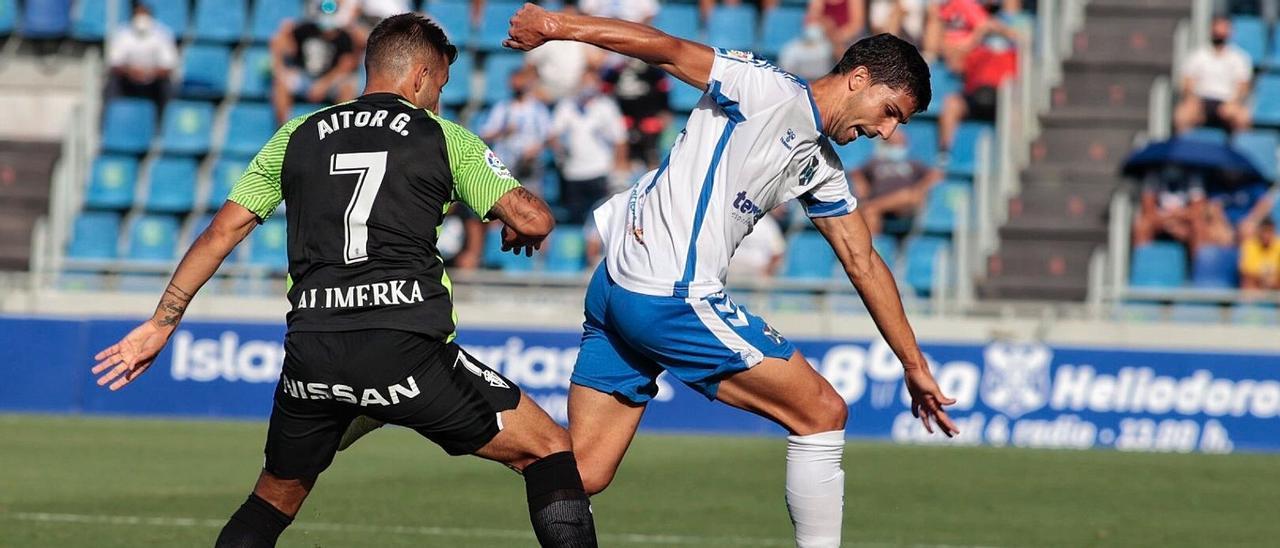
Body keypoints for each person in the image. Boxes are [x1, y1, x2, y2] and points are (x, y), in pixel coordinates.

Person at [90, 14, 597, 548]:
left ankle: (356, 412)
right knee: (550, 452)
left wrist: (161, 321)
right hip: (406, 348)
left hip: (313, 352)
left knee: (272, 500)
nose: (439, 101)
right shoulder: (444, 138)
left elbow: (220, 233)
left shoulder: (297, 134)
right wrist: (513, 220)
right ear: (420, 77)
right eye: (440, 88)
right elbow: (536, 220)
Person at [507, 8, 958, 547]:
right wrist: (557, 27)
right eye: (889, 113)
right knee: (822, 411)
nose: (885, 132)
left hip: (616, 287)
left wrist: (913, 364)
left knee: (581, 471)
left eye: (897, 125)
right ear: (858, 78)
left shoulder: (820, 163)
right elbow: (666, 47)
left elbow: (863, 261)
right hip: (667, 294)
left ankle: (455, 410)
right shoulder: (764, 89)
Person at [549, 70, 629, 224]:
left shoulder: (607, 106)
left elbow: (620, 139)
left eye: (590, 82)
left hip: (599, 170)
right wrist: (559, 148)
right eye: (584, 82)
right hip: (572, 172)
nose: (587, 87)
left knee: (599, 220)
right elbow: (553, 134)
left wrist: (618, 168)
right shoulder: (567, 105)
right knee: (575, 220)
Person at [270, 0, 361, 125]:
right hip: (305, 78)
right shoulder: (305, 29)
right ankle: (282, 128)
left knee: (348, 89)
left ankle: (344, 128)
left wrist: (324, 84)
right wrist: (280, 67)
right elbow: (279, 43)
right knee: (281, 84)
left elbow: (347, 65)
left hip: (330, 81)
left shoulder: (344, 36)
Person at [478, 65, 553, 193]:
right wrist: (503, 131)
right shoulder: (502, 108)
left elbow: (549, 136)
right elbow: (485, 135)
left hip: (528, 164)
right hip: (506, 165)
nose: (517, 85)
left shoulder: (537, 109)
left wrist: (535, 149)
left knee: (532, 200)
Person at [1174, 15, 1253, 135]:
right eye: (1217, 27)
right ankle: (1183, 150)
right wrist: (1192, 99)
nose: (1220, 32)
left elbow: (1243, 86)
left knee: (1242, 118)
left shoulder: (1239, 58)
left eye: (1224, 28)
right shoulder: (1198, 55)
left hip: (1227, 101)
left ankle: (1238, 150)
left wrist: (1234, 102)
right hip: (1201, 101)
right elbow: (1187, 82)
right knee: (1182, 115)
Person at [852, 130, 942, 235]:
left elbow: (935, 175)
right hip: (881, 206)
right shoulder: (874, 162)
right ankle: (873, 247)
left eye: (900, 140)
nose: (898, 144)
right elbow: (857, 173)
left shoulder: (913, 162)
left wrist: (921, 188)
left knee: (908, 196)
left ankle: (874, 206)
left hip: (904, 205)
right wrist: (862, 188)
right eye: (894, 141)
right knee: (870, 216)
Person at [601, 57, 671, 171]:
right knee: (624, 152)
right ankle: (624, 184)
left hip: (648, 117)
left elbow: (663, 90)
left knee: (651, 153)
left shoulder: (652, 68)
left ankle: (655, 180)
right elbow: (605, 90)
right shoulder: (616, 69)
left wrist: (665, 111)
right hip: (625, 118)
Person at [106, 0, 178, 108]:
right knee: (112, 83)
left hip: (154, 79)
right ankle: (111, 117)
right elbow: (115, 63)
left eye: (144, 14)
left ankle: (164, 120)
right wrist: (131, 72)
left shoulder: (163, 34)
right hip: (128, 78)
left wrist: (150, 73)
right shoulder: (122, 33)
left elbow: (168, 66)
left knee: (167, 87)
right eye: (139, 14)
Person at [1240, 218, 1280, 290]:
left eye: (1269, 231)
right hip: (1256, 286)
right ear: (1259, 232)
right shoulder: (1249, 245)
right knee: (1247, 285)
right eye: (1264, 231)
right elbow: (1247, 274)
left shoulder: (1278, 245)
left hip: (1275, 286)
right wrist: (1264, 280)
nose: (1266, 235)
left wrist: (1273, 281)